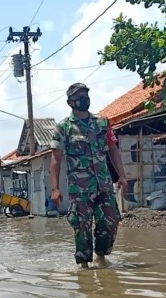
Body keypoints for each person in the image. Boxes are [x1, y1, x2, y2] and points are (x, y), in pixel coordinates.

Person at [50, 83, 128, 268]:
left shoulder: (102, 123)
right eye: (79, 96)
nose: (84, 98)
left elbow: (113, 150)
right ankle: (84, 266)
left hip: (104, 185)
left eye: (86, 94)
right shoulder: (63, 127)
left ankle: (101, 257)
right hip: (80, 188)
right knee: (82, 226)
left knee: (111, 220)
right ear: (70, 102)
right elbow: (55, 158)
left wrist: (122, 176)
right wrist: (55, 189)